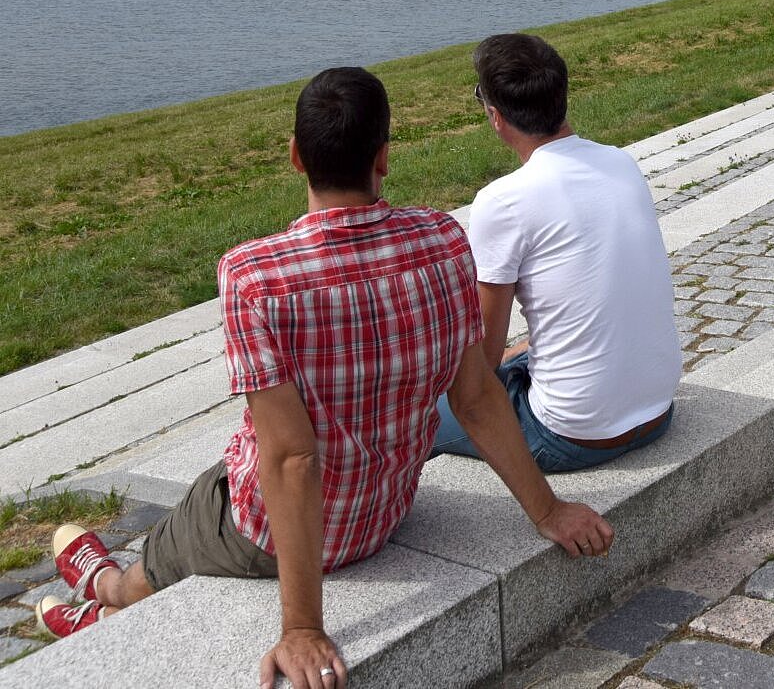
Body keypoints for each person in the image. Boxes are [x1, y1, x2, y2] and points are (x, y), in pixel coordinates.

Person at [37, 68, 613, 686]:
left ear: (295, 156)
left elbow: (293, 459)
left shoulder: (255, 277)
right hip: (384, 512)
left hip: (276, 533)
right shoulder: (443, 241)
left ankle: (109, 594)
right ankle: (107, 594)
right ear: (383, 158)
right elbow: (475, 398)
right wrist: (547, 511)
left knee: (178, 536)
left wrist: (303, 629)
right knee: (221, 482)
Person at [431, 33, 680, 471]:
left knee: (421, 410)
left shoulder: (503, 200)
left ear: (495, 116)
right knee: (522, 356)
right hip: (657, 409)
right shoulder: (621, 163)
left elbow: (484, 357)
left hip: (569, 435)